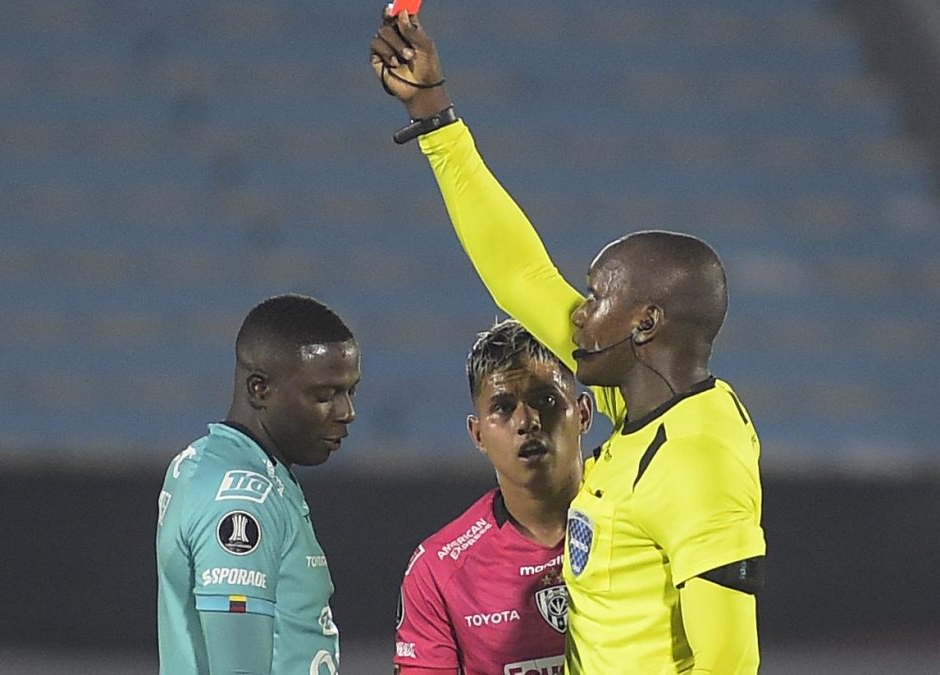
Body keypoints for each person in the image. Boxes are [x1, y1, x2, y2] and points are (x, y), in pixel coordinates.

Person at [370, 11, 766, 674]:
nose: (579, 313)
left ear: (644, 324)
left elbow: (727, 662)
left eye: (598, 296)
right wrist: (435, 115)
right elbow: (519, 274)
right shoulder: (637, 410)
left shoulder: (698, 457)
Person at [155, 293, 359, 675]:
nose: (347, 412)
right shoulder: (241, 499)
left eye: (350, 391)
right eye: (324, 395)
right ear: (259, 389)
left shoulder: (218, 464)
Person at [395, 319, 591, 675]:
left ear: (583, 413)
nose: (527, 420)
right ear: (478, 434)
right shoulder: (438, 570)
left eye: (545, 399)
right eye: (503, 407)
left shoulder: (642, 513)